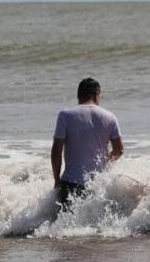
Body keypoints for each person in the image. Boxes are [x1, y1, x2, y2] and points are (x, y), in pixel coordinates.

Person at [51, 78, 123, 211]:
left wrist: (56, 179)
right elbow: (119, 150)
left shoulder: (65, 115)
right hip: (98, 183)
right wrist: (104, 164)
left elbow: (56, 151)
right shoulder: (110, 116)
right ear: (97, 95)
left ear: (78, 95)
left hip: (70, 182)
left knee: (65, 226)